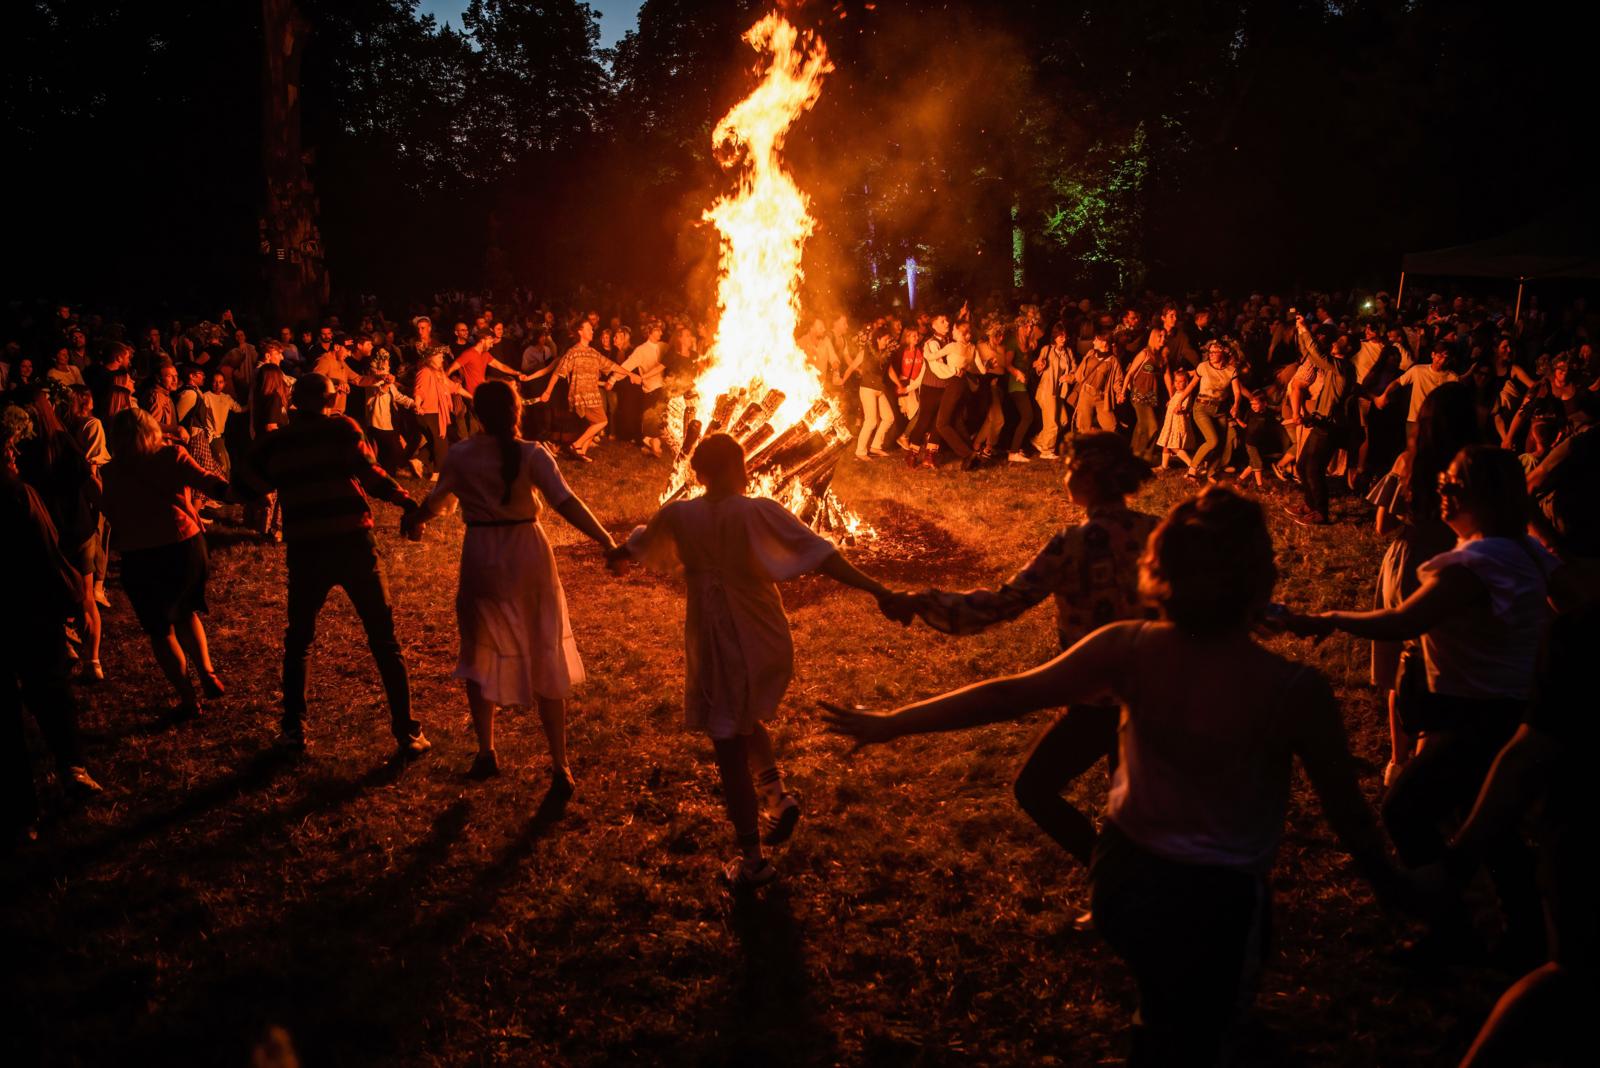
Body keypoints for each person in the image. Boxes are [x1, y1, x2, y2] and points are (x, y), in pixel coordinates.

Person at [825, 488, 1414, 1065]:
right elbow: (1349, 814)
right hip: (1215, 898)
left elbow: (1009, 696)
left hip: (1124, 877)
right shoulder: (1293, 691)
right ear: (1261, 580)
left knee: (1162, 1013)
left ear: (1158, 574)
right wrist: (1395, 887)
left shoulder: (1129, 648)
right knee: (1202, 1031)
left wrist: (893, 723)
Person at [1280, 445, 1556, 966]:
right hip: (1511, 707)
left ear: (1484, 496)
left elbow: (1403, 621)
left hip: (1474, 716)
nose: (1441, 492)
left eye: (1454, 486)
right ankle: (1523, 938)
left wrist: (1331, 616)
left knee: (1405, 807)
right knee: (1493, 829)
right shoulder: (1522, 551)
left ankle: (1453, 930)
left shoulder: (1472, 566)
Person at [610, 433, 900, 890]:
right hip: (758, 632)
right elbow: (822, 556)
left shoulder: (682, 514)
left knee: (728, 747)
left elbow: (645, 541)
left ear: (699, 475)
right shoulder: (756, 509)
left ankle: (753, 861)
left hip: (721, 638)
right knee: (741, 717)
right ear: (742, 470)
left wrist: (618, 554)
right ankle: (777, 799)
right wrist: (880, 590)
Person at [885, 433, 1159, 869]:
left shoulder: (1071, 544)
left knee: (1034, 789)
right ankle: (1130, 886)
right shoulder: (1158, 533)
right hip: (1153, 697)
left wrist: (923, 601)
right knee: (1130, 807)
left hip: (1095, 701)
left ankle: (1110, 873)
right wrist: (1290, 619)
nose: (1065, 475)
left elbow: (1002, 603)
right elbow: (1213, 602)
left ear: (1087, 478)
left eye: (1070, 467)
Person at [405, 382, 619, 800]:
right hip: (527, 553)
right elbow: (566, 502)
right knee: (543, 647)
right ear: (516, 410)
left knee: (479, 646)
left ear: (479, 414)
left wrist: (415, 518)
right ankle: (560, 766)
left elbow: (437, 502)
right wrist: (607, 541)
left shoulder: (464, 454)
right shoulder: (533, 453)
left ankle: (486, 751)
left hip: (483, 554)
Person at [240, 373, 429, 757]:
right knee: (383, 638)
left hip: (307, 546)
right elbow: (371, 475)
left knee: (300, 640)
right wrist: (407, 502)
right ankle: (407, 733)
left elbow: (247, 481)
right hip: (352, 542)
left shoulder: (277, 442)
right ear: (328, 399)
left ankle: (293, 730)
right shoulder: (342, 429)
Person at [1363, 382, 1480, 785]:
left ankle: (1398, 763)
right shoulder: (1476, 464)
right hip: (1455, 560)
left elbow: (1383, 526)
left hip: (1408, 560)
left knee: (1402, 659)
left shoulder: (1407, 461)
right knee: (1443, 658)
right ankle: (1425, 755)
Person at [2, 423, 101, 844]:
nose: (13, 455)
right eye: (7, 449)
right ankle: (71, 768)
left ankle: (20, 812)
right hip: (28, 608)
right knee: (51, 688)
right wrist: (72, 595)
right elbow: (46, 546)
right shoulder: (16, 492)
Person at [99, 408, 230, 718]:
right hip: (183, 544)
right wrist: (235, 491)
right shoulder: (171, 455)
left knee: (160, 629)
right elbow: (206, 479)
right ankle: (207, 672)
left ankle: (187, 697)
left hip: (140, 553)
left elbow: (109, 511)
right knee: (187, 612)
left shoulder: (110, 472)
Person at [1283, 317, 1355, 526]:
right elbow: (1313, 353)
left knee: (1313, 468)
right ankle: (1309, 505)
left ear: (1348, 348)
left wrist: (1305, 330)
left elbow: (1315, 353)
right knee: (1303, 464)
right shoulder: (1337, 366)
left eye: (1340, 340)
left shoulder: (1342, 367)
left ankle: (1321, 512)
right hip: (1321, 421)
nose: (1335, 341)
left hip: (1330, 425)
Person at [534, 320, 630, 461]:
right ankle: (576, 445)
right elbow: (557, 373)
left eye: (592, 329)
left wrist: (630, 374)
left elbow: (612, 365)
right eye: (589, 329)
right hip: (581, 394)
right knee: (602, 422)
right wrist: (547, 392)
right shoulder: (573, 352)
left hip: (593, 394)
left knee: (594, 424)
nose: (592, 331)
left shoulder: (593, 353)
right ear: (580, 332)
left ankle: (580, 452)